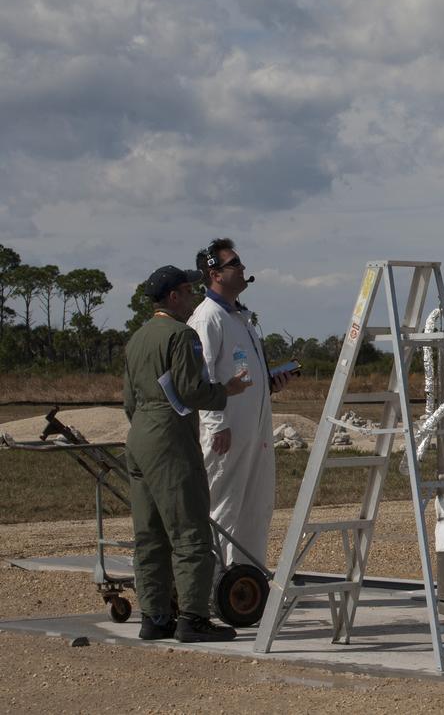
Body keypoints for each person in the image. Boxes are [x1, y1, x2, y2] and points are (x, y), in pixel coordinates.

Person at [123, 265, 251, 643]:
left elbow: (129, 400)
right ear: (174, 297)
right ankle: (193, 618)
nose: (193, 296)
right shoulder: (182, 336)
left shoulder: (136, 339)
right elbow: (191, 390)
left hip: (140, 434)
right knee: (190, 529)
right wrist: (224, 390)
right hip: (170, 435)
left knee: (149, 534)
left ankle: (155, 615)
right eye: (187, 290)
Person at [189, 238, 295, 572]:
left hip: (254, 431)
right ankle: (216, 580)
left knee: (255, 505)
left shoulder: (240, 319)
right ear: (214, 273)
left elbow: (241, 374)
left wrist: (270, 384)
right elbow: (201, 375)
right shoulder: (208, 319)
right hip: (227, 434)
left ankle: (247, 578)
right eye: (234, 263)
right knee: (223, 506)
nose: (243, 268)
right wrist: (216, 424)